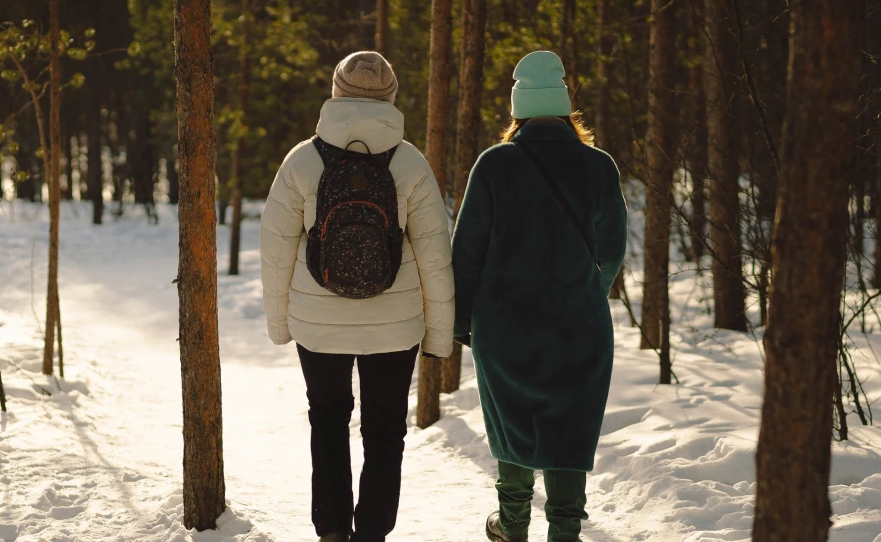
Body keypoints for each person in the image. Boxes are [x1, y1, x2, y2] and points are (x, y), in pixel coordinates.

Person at [260, 51, 455, 542]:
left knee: (327, 422)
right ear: (391, 97)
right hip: (396, 322)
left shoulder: (303, 159)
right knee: (386, 430)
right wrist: (439, 336)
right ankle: (372, 533)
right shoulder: (410, 162)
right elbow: (435, 255)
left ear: (335, 92)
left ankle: (330, 532)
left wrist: (280, 323)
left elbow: (275, 245)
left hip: (316, 319)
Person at [452, 50, 628, 542]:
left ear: (518, 111)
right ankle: (566, 531)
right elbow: (612, 251)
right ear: (566, 108)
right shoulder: (598, 165)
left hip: (503, 323)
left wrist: (460, 322)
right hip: (579, 322)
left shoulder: (495, 164)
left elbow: (467, 251)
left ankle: (511, 524)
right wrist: (584, 297)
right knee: (570, 424)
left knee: (513, 419)